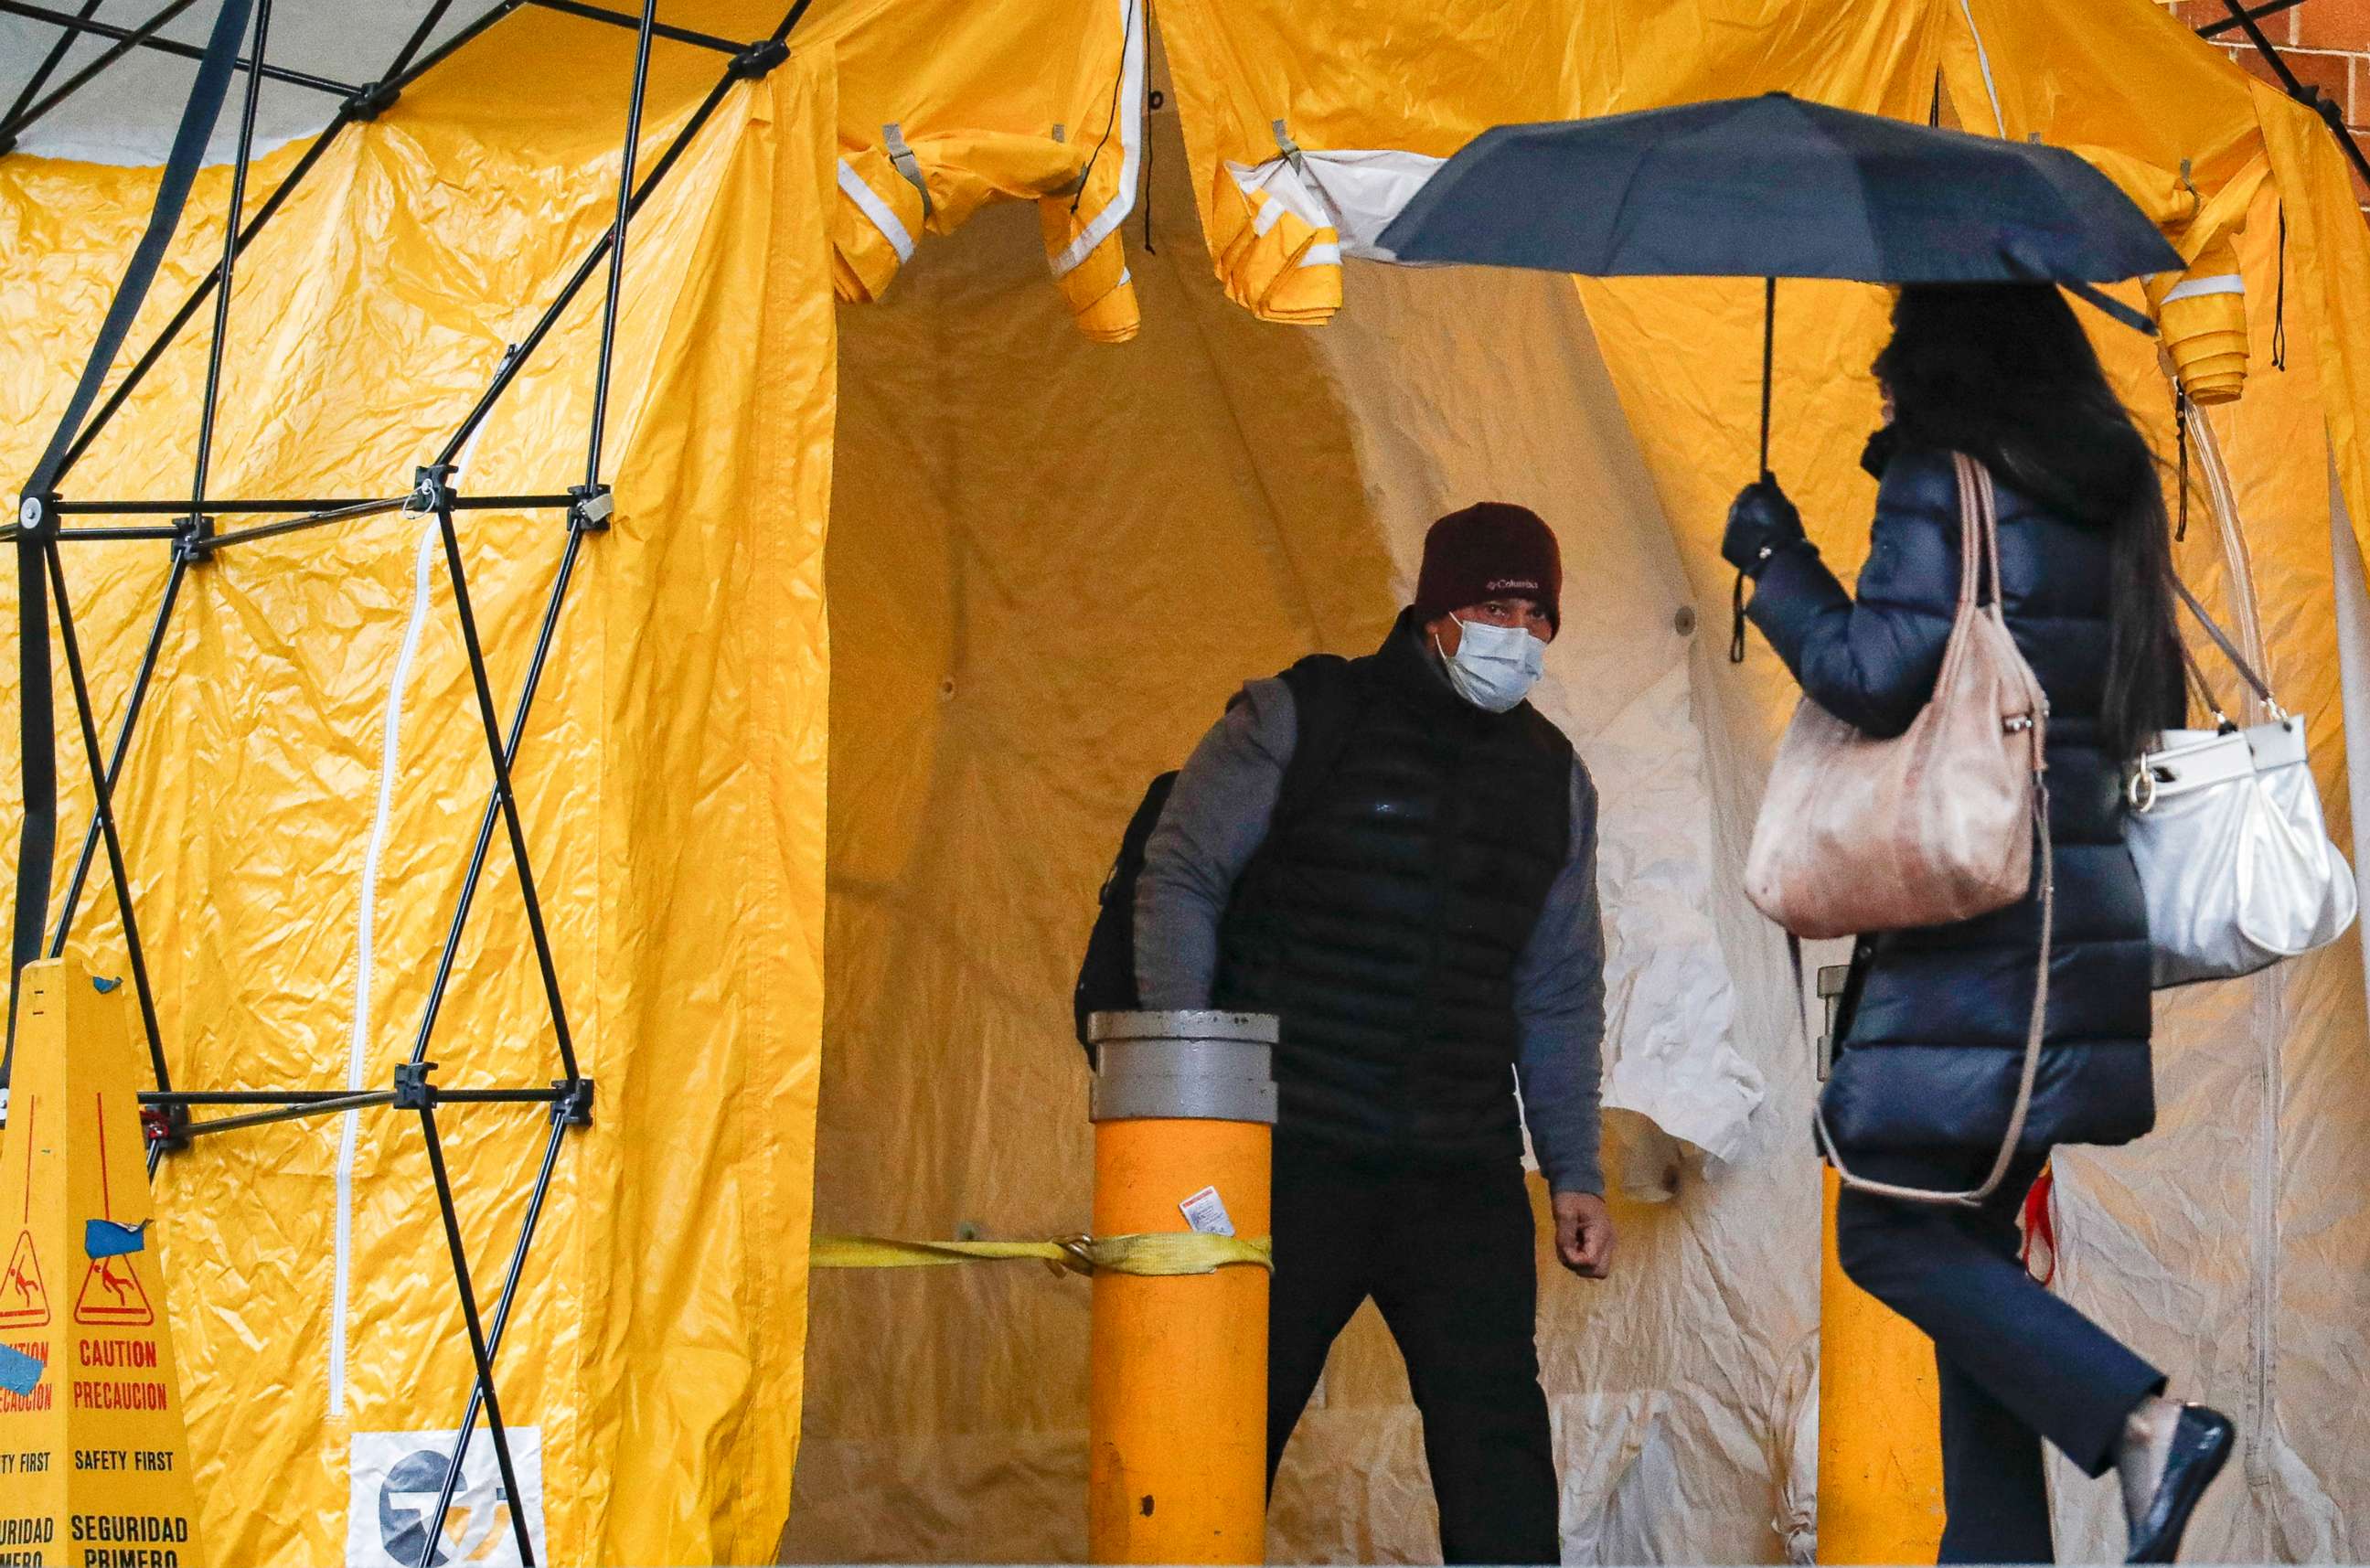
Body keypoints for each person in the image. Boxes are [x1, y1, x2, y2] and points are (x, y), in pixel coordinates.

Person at [1724, 283, 2233, 1565]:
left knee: (1887, 1227)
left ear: (1948, 363)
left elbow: (1874, 671)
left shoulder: (1944, 478)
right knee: (1968, 1257)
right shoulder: (2105, 490)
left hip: (1979, 926)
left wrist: (1778, 564)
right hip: (2080, 913)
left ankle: (2141, 1420)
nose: (1883, 385)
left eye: (1894, 361)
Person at [1134, 501, 1611, 1565]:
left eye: (1540, 617)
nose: (1518, 635)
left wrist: (1574, 1167)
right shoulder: (1302, 716)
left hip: (1461, 1168)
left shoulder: (1556, 782)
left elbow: (1560, 987)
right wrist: (1186, 1109)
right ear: (1437, 609)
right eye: (1496, 605)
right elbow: (1181, 878)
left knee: (1499, 1458)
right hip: (1288, 1154)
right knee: (1217, 1432)